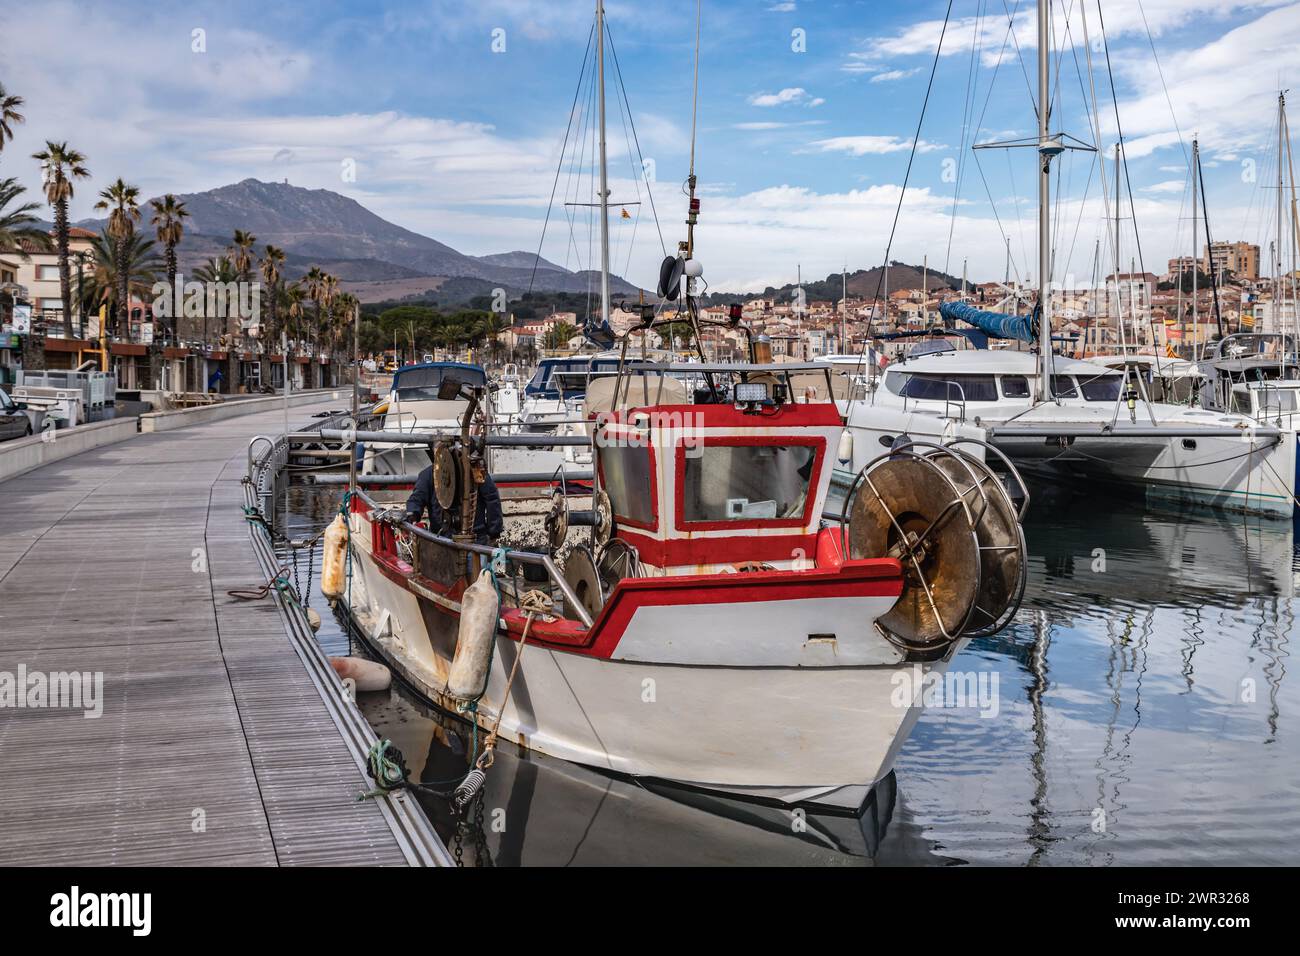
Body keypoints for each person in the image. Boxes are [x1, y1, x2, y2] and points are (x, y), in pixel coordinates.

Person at [405, 464, 504, 544]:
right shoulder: (429, 474)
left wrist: (494, 531)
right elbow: (417, 499)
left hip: (473, 539)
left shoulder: (475, 470)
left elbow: (492, 498)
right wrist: (412, 514)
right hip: (442, 540)